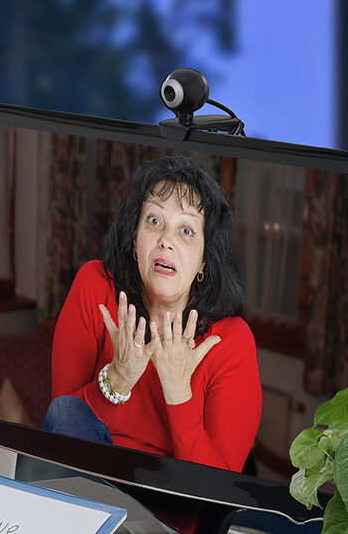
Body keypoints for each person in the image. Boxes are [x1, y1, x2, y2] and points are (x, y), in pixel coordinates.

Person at [45, 154, 261, 471]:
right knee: (66, 410)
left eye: (186, 231)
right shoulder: (95, 288)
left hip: (173, 504)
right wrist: (118, 378)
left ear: (204, 261)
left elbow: (218, 486)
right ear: (135, 240)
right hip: (93, 485)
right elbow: (60, 424)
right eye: (154, 221)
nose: (165, 241)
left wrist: (177, 391)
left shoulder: (231, 340)